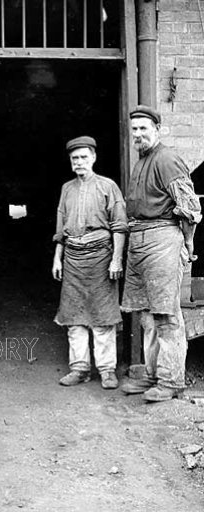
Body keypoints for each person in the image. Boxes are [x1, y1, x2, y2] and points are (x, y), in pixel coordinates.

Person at [121, 105, 202, 402]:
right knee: (146, 314)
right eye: (134, 129)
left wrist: (187, 242)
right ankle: (154, 375)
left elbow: (191, 208)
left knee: (166, 314)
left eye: (144, 128)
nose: (138, 134)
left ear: (157, 129)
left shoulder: (166, 159)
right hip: (139, 238)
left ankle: (171, 380)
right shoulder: (142, 160)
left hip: (162, 238)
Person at [52, 136, 127, 389]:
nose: (79, 162)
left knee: (102, 316)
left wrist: (116, 259)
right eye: (75, 158)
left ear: (93, 158)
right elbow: (61, 228)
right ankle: (80, 368)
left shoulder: (108, 186)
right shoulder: (67, 189)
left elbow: (119, 226)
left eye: (84, 157)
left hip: (101, 258)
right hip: (73, 258)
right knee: (73, 316)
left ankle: (107, 370)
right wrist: (57, 259)